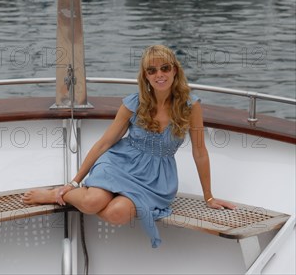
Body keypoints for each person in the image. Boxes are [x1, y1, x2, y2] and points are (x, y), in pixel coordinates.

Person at [22, 45, 236, 247]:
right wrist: (75, 181)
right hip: (120, 162)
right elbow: (105, 142)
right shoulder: (134, 104)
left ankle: (110, 195)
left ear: (175, 71)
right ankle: (57, 194)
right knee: (92, 202)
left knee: (115, 213)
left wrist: (209, 196)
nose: (159, 75)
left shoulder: (191, 106)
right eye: (151, 70)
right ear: (145, 76)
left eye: (165, 68)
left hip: (156, 178)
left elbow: (199, 151)